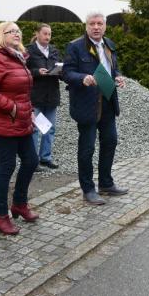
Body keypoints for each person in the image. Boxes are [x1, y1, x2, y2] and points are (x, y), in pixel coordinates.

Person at [0, 22, 40, 235]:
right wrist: (11, 108)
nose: (16, 33)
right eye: (11, 31)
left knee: (31, 161)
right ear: (0, 35)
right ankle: (0, 216)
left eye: (18, 31)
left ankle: (19, 205)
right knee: (7, 166)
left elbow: (21, 91)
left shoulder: (18, 57)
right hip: (5, 122)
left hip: (22, 120)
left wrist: (27, 110)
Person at [63, 11, 128, 205]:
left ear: (105, 26)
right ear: (86, 26)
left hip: (107, 100)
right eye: (92, 23)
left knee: (110, 142)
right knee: (87, 148)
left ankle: (106, 183)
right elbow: (66, 72)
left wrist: (118, 76)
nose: (96, 27)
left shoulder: (109, 44)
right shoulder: (75, 46)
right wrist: (81, 78)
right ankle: (88, 189)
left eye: (100, 23)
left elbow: (112, 68)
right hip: (87, 105)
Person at [26, 23, 61, 169]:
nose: (47, 37)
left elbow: (60, 66)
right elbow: (23, 70)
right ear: (38, 34)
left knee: (49, 128)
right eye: (45, 33)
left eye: (49, 34)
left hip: (52, 95)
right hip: (35, 96)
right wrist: (36, 72)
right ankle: (33, 161)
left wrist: (60, 71)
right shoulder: (28, 50)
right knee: (34, 128)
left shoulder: (54, 50)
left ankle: (45, 158)